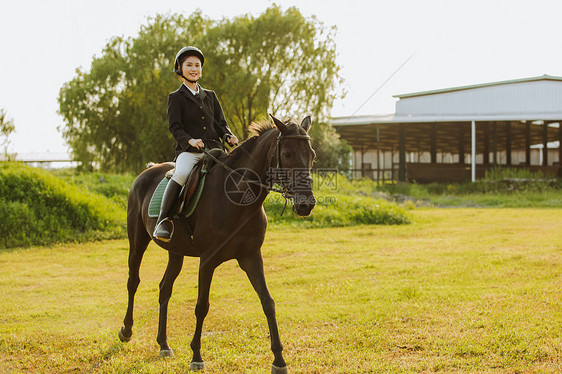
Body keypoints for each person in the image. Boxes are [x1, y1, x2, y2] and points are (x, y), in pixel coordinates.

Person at [153, 46, 239, 242]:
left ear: (201, 69)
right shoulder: (175, 98)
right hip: (189, 152)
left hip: (215, 150)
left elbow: (221, 124)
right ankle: (163, 220)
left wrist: (228, 136)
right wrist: (189, 140)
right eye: (189, 65)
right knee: (181, 173)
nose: (194, 69)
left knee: (234, 172)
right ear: (180, 68)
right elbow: (175, 127)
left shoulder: (211, 95)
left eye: (197, 65)